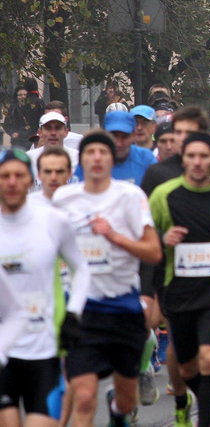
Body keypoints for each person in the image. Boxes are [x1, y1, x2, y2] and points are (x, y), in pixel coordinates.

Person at [55, 130, 163, 427]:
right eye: (90, 153)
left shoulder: (130, 196)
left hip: (123, 308)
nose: (97, 158)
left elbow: (153, 252)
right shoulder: (65, 199)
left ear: (112, 159)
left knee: (128, 400)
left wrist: (114, 236)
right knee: (84, 396)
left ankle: (117, 410)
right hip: (83, 311)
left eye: (103, 152)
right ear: (81, 160)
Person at [148, 133, 210, 427]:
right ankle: (187, 398)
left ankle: (206, 421)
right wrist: (164, 239)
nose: (198, 163)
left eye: (204, 157)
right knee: (186, 366)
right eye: (191, 157)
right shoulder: (164, 196)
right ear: (182, 160)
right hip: (178, 290)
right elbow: (147, 241)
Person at [0, 146, 90, 427]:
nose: (12, 182)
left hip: (43, 349)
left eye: (19, 176)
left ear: (30, 180)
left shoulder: (53, 221)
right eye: (5, 176)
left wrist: (74, 313)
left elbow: (82, 268)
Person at [27, 111, 79, 190]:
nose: (53, 133)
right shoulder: (28, 159)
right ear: (39, 132)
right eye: (48, 128)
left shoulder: (78, 158)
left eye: (58, 128)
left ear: (66, 132)